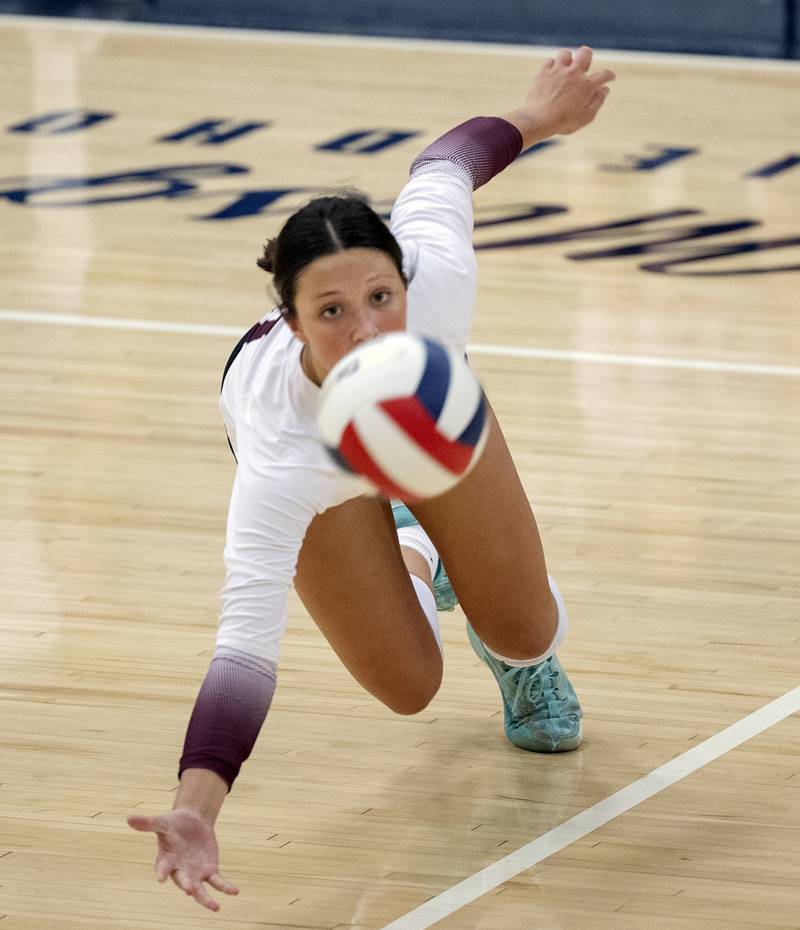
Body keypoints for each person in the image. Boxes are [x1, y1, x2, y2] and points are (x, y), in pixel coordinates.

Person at [128, 46, 616, 912]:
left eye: (380, 296)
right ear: (290, 319)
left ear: (404, 280)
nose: (367, 330)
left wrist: (540, 116)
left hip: (434, 421)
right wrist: (196, 806)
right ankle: (414, 546)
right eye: (330, 312)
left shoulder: (437, 283)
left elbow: (446, 164)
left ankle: (508, 650)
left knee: (526, 622)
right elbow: (243, 648)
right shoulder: (282, 455)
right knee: (408, 687)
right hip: (322, 462)